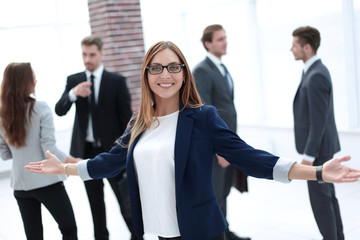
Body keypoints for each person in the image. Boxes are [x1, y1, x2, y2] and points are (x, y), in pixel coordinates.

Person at [25, 41, 360, 240]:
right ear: (146, 75)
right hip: (161, 232)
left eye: (173, 67)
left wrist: (316, 172)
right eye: (156, 68)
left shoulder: (202, 117)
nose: (165, 75)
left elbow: (253, 158)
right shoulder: (140, 123)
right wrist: (66, 169)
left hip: (201, 232)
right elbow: (109, 161)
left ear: (184, 73)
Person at [54, 35, 139, 240]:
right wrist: (74, 93)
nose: (87, 59)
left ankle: (137, 236)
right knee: (95, 204)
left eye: (92, 54)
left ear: (101, 54)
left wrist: (128, 151)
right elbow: (59, 110)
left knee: (124, 201)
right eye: (84, 54)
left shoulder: (116, 81)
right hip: (86, 152)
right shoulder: (74, 80)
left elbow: (127, 120)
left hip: (113, 152)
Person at [0, 62, 79, 240]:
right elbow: (49, 150)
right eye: (32, 76)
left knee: (34, 236)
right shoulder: (40, 108)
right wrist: (76, 162)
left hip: (20, 185)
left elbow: (5, 154)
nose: (36, 79)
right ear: (26, 81)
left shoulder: (2, 114)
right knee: (68, 229)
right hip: (47, 181)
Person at [192, 24, 249, 240]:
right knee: (215, 192)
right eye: (219, 39)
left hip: (227, 142)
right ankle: (216, 233)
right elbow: (205, 112)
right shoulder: (202, 70)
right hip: (216, 147)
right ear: (208, 43)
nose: (225, 42)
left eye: (225, 38)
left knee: (224, 190)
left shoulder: (221, 68)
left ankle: (224, 230)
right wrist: (219, 149)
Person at [291, 26, 344, 240]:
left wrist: (308, 158)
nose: (291, 49)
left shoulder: (316, 76)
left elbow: (318, 120)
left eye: (294, 45)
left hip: (318, 152)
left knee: (322, 202)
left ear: (307, 47)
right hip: (322, 149)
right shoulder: (315, 71)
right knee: (328, 198)